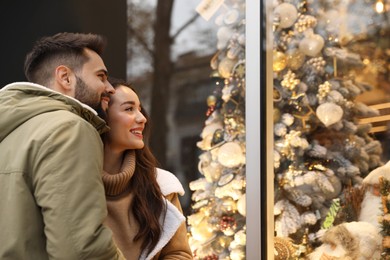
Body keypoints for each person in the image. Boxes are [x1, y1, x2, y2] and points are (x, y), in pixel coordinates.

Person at [0, 32, 124, 259]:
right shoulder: (69, 129)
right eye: (101, 76)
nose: (110, 87)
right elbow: (80, 249)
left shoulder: (9, 133)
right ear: (65, 77)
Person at [98, 78, 193, 259]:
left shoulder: (162, 185)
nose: (142, 119)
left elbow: (179, 254)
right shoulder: (75, 183)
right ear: (102, 117)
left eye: (140, 109)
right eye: (129, 109)